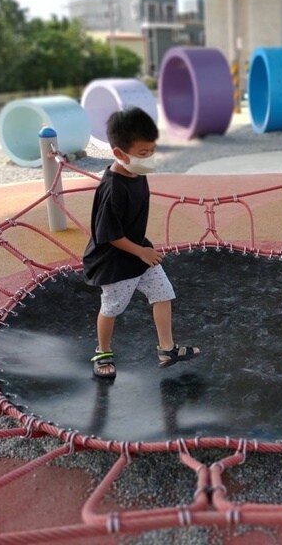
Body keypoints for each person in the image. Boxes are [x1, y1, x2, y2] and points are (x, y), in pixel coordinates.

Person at [82, 107, 200, 379]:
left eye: (152, 151)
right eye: (143, 154)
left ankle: (167, 349)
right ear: (119, 154)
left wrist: (142, 251)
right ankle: (103, 352)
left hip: (138, 252)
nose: (149, 158)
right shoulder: (113, 188)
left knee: (163, 293)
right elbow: (109, 235)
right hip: (115, 261)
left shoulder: (137, 172)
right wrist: (142, 252)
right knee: (112, 308)